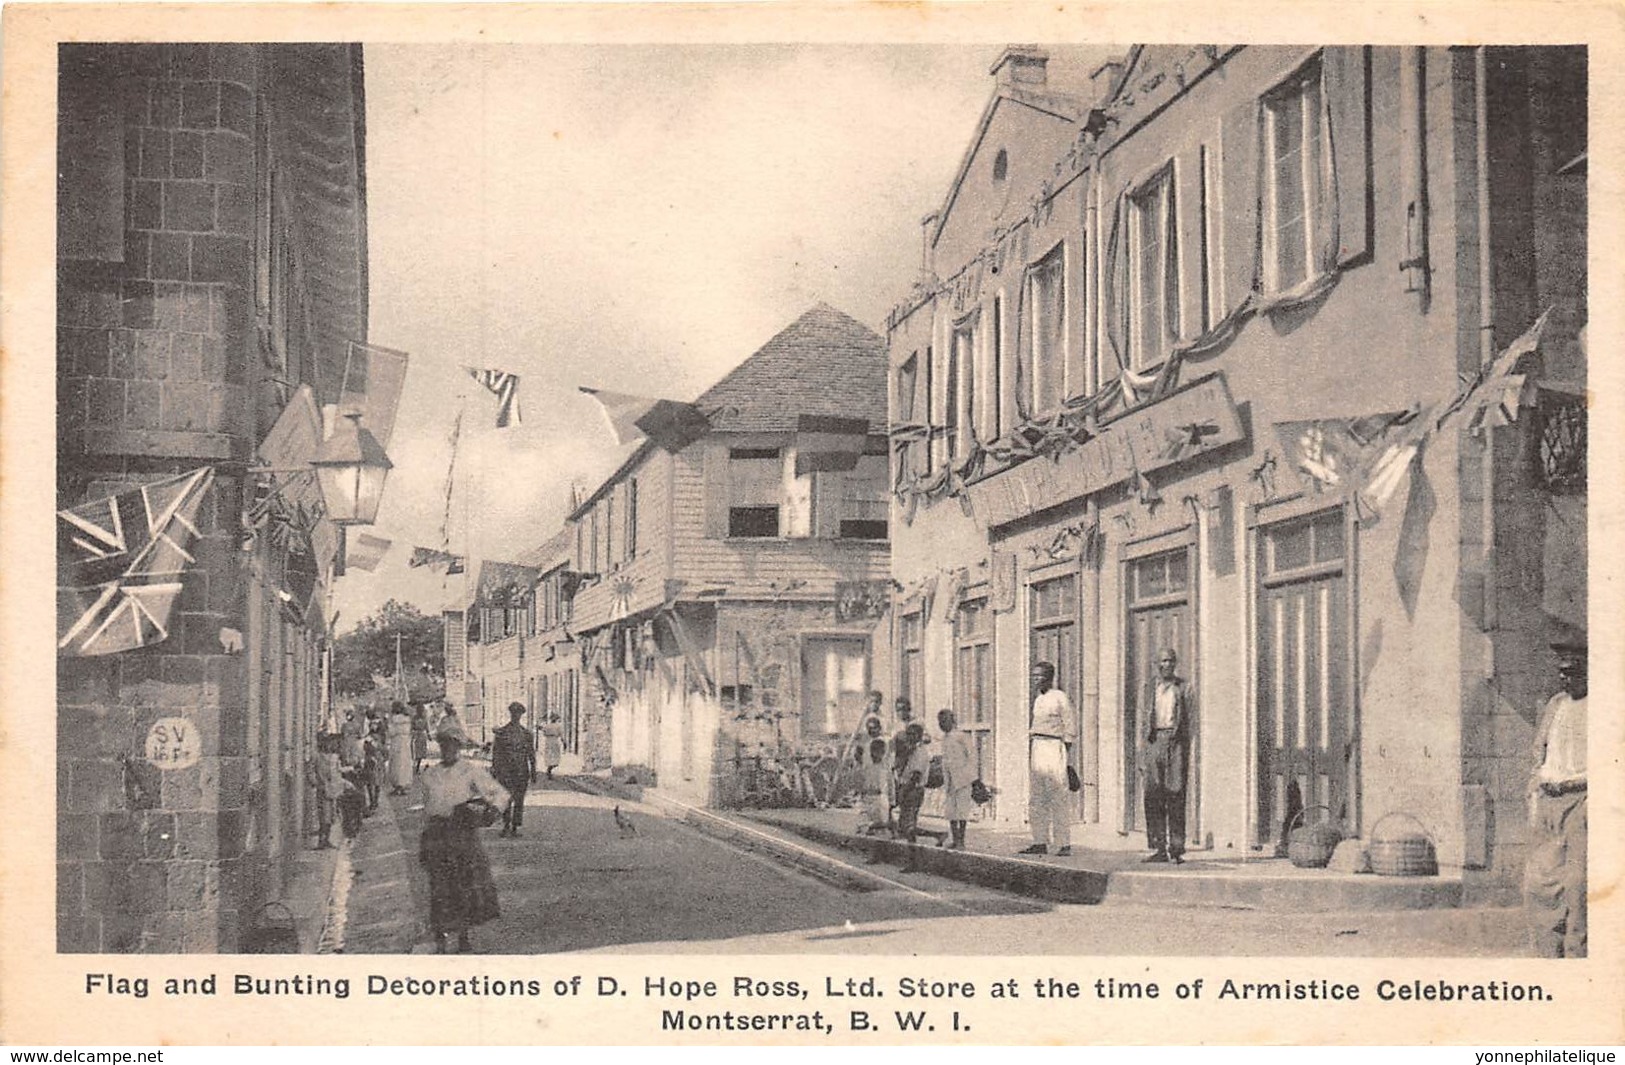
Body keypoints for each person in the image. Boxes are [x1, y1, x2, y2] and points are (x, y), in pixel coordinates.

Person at [419, 718, 509, 954]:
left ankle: (463, 936)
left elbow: (500, 795)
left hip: (461, 835)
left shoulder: (470, 772)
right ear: (439, 746)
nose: (448, 749)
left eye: (452, 745)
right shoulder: (430, 775)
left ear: (459, 747)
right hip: (437, 835)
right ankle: (440, 939)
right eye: (444, 745)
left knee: (461, 885)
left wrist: (489, 814)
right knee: (438, 887)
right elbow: (428, 807)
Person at [1525, 640, 1587, 958]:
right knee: (1540, 884)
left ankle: (1578, 956)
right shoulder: (1556, 704)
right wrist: (1536, 787)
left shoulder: (1600, 708)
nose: (1567, 679)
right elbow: (1539, 750)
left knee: (1577, 887)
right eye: (1563, 673)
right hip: (1549, 800)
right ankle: (1548, 956)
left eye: (1574, 672)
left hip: (1581, 799)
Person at [1140, 648, 1195, 865]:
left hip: (1176, 743)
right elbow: (1142, 721)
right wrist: (1142, 753)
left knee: (1176, 794)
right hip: (1154, 742)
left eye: (1171, 661)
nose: (1167, 665)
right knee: (1153, 796)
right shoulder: (1149, 688)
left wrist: (1185, 747)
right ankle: (1158, 847)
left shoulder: (1184, 688)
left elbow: (1191, 721)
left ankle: (1177, 848)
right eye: (1163, 661)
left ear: (1175, 663)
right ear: (1157, 664)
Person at [1020, 661, 1076, 857]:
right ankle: (1039, 841)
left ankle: (1063, 844)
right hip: (1037, 747)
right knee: (1036, 797)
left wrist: (1063, 755)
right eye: (1034, 676)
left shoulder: (1060, 698)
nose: (1036, 679)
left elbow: (1070, 728)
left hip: (1054, 747)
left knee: (1058, 796)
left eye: (1040, 676)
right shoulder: (1037, 700)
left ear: (1049, 678)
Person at [491, 702, 537, 838]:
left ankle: (515, 827)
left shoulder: (526, 734)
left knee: (519, 800)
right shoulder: (502, 733)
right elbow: (496, 753)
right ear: (511, 714)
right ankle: (506, 826)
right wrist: (495, 769)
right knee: (506, 798)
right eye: (514, 713)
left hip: (522, 770)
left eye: (518, 714)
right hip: (506, 770)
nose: (516, 716)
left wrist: (533, 770)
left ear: (521, 715)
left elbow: (531, 753)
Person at [937, 709, 976, 850]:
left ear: (952, 720)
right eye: (940, 721)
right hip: (950, 779)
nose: (942, 724)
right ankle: (955, 838)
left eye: (945, 720)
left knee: (962, 811)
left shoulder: (961, 736)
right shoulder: (945, 739)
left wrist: (970, 777)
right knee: (951, 811)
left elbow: (971, 757)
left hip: (963, 778)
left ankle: (962, 840)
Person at [306, 734, 347, 850]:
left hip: (334, 790)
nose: (330, 746)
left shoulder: (335, 757)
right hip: (323, 790)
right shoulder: (317, 757)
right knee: (324, 816)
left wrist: (340, 784)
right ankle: (321, 841)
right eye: (328, 743)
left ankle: (327, 839)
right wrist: (316, 783)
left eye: (331, 744)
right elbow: (310, 771)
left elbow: (338, 772)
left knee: (331, 816)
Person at [894, 722, 932, 843]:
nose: (909, 737)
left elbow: (916, 775)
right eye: (908, 734)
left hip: (913, 789)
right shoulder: (911, 750)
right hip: (905, 786)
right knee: (904, 819)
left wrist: (904, 791)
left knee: (909, 821)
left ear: (919, 736)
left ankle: (912, 847)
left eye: (913, 734)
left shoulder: (921, 752)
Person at [856, 737, 892, 836]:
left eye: (879, 752)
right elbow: (862, 781)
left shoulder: (886, 768)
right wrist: (861, 794)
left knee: (880, 825)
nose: (875, 754)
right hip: (867, 797)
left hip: (880, 798)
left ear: (883, 753)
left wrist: (892, 800)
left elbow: (891, 784)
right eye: (873, 751)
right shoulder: (867, 767)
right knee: (864, 824)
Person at [388, 702, 415, 795]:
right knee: (404, 763)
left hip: (396, 742)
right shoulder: (407, 719)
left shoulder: (393, 719)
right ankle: (403, 784)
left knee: (396, 763)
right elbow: (409, 731)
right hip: (405, 743)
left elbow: (391, 732)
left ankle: (397, 786)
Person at [539, 713, 564, 780]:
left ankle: (549, 768)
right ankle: (550, 769)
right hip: (554, 740)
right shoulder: (558, 726)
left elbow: (543, 732)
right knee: (554, 755)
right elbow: (561, 735)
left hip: (548, 741)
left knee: (550, 755)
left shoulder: (547, 726)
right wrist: (564, 742)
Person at [411, 705, 431, 775]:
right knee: (415, 752)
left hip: (422, 736)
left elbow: (427, 728)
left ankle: (417, 767)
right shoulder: (414, 718)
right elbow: (411, 727)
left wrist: (429, 736)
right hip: (416, 736)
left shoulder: (425, 718)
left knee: (420, 753)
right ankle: (415, 766)